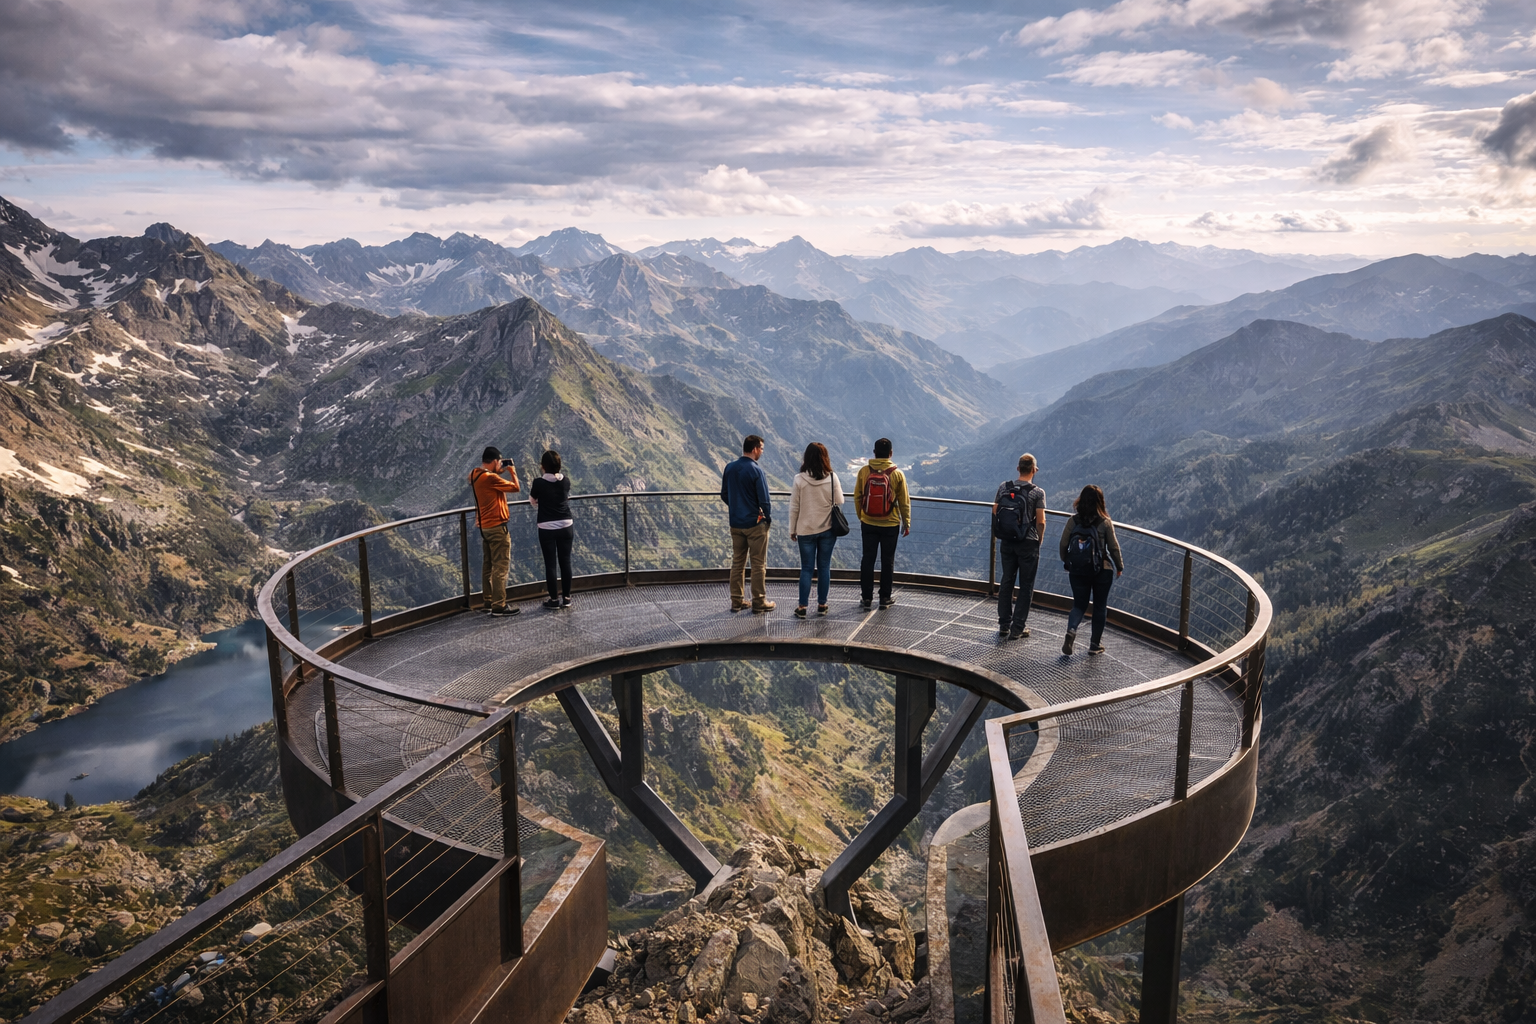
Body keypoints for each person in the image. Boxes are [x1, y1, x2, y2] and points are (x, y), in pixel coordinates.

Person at [1058, 484, 1124, 655]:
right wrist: (1119, 566)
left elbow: (1063, 544)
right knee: (1100, 607)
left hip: (1077, 570)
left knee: (1079, 605)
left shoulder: (1073, 521)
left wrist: (1067, 560)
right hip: (1102, 570)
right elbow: (1114, 548)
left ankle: (1072, 630)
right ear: (1100, 502)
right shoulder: (1105, 522)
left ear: (1080, 500)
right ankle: (1095, 645)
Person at [788, 441, 846, 618]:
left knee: (806, 568)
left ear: (806, 457)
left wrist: (792, 529)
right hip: (827, 529)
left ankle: (802, 607)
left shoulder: (799, 479)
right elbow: (840, 500)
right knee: (824, 567)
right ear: (825, 458)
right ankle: (822, 604)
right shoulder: (832, 477)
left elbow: (794, 507)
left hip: (805, 530)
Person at [993, 453, 1047, 641]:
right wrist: (1039, 540)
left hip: (1007, 541)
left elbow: (995, 510)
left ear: (1018, 469)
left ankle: (1004, 625)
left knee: (1007, 580)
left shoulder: (1004, 487)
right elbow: (1041, 521)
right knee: (1026, 585)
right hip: (1028, 543)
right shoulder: (1037, 492)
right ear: (1034, 470)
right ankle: (1017, 629)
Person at [854, 437, 910, 611]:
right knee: (887, 560)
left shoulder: (864, 471)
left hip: (868, 522)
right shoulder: (897, 474)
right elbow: (904, 501)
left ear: (874, 453)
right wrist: (906, 522)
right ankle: (885, 597)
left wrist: (862, 516)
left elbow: (857, 496)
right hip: (890, 524)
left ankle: (866, 598)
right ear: (890, 454)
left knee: (867, 559)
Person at [720, 434, 774, 613]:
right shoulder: (756, 470)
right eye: (762, 449)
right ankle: (759, 601)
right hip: (755, 524)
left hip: (736, 523)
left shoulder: (730, 467)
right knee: (758, 564)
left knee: (738, 562)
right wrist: (766, 517)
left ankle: (736, 601)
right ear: (755, 449)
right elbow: (764, 500)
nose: (762, 452)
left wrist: (736, 507)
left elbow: (724, 494)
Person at [468, 446, 521, 617]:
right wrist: (512, 472)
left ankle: (488, 601)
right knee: (500, 566)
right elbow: (515, 487)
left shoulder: (475, 474)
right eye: (499, 462)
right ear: (495, 461)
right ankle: (499, 605)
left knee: (488, 565)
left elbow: (490, 484)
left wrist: (497, 471)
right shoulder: (491, 478)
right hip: (497, 527)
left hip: (484, 527)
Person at [528, 449, 574, 610]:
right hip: (566, 524)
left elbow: (533, 501)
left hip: (546, 526)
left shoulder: (538, 483)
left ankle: (554, 599)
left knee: (550, 564)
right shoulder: (566, 481)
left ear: (543, 466)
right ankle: (567, 598)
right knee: (565, 561)